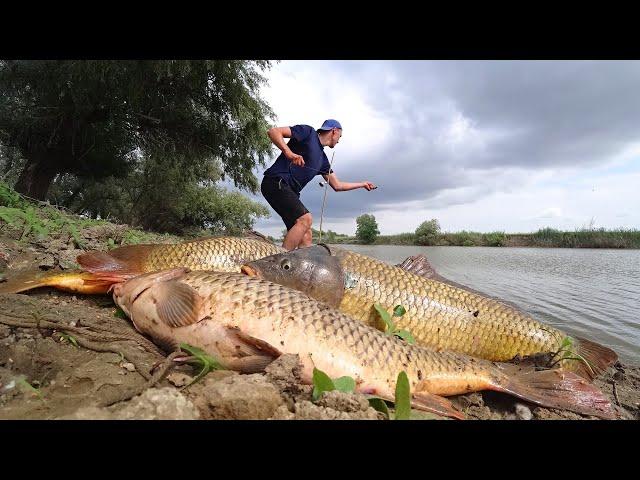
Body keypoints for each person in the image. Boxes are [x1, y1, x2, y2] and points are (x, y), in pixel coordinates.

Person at [261, 119, 376, 251]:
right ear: (334, 131)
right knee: (305, 219)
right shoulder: (308, 133)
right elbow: (273, 132)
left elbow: (337, 185)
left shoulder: (323, 160)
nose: (339, 140)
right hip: (276, 182)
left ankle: (299, 268)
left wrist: (362, 184)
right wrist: (289, 153)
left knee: (306, 236)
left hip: (290, 191)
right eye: (340, 136)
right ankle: (278, 265)